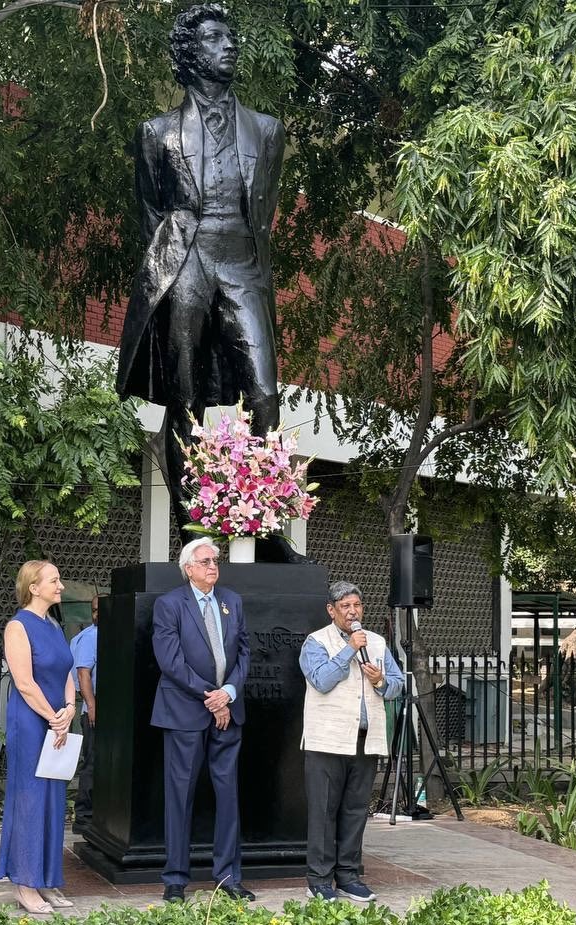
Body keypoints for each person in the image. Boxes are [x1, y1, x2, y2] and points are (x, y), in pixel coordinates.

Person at [116, 5, 300, 563]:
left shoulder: (267, 131)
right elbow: (152, 218)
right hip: (185, 263)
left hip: (242, 261)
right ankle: (192, 532)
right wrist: (169, 284)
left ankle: (269, 535)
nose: (230, 46)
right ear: (191, 53)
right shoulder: (156, 134)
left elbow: (263, 214)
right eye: (217, 38)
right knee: (186, 400)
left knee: (264, 393)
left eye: (231, 37)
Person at [151, 538, 253, 903]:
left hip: (228, 709)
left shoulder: (232, 601)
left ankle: (229, 877)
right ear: (188, 568)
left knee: (228, 796)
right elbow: (170, 661)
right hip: (185, 713)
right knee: (180, 796)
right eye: (205, 561)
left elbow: (244, 652)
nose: (213, 566)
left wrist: (228, 692)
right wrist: (211, 697)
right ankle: (176, 878)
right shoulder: (169, 605)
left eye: (216, 560)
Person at [298, 581, 403, 903]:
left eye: (356, 605)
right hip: (326, 741)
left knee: (356, 811)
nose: (352, 611)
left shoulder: (377, 642)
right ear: (331, 610)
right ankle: (318, 879)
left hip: (364, 740)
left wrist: (381, 680)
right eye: (345, 606)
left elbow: (397, 685)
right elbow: (322, 680)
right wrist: (348, 650)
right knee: (323, 812)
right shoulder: (315, 642)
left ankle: (348, 876)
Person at [0, 560, 77, 915]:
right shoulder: (18, 626)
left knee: (54, 800)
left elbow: (67, 671)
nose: (60, 586)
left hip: (57, 720)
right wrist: (53, 717)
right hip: (31, 724)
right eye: (54, 581)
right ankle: (25, 885)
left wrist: (70, 708)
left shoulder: (54, 626)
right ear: (34, 587)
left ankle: (47, 880)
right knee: (29, 799)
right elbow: (25, 683)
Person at [70, 595, 99, 832]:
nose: (97, 613)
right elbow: (83, 674)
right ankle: (84, 816)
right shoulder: (91, 637)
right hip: (94, 712)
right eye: (94, 610)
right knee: (92, 763)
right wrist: (92, 705)